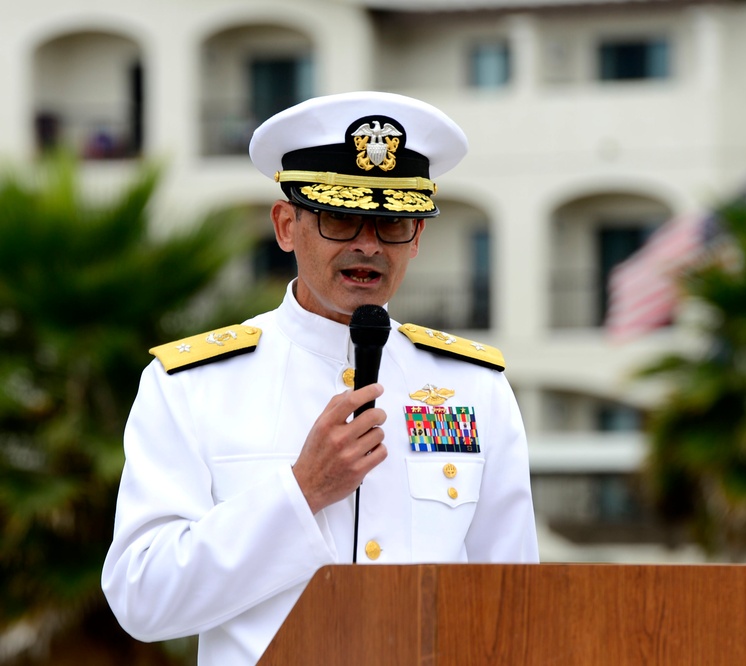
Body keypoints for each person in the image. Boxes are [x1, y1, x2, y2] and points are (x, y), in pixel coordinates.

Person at [102, 91, 539, 665]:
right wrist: (301, 491)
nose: (367, 244)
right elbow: (142, 598)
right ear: (286, 226)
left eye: (392, 225)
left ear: (417, 238)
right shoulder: (190, 384)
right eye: (340, 217)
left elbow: (514, 605)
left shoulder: (474, 387)